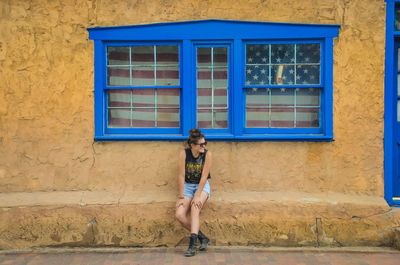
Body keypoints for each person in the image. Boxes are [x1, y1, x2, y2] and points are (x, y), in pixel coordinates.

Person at [175, 128, 212, 257]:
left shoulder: (207, 154)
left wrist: (197, 196)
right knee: (179, 215)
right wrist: (181, 196)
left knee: (195, 208)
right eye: (201, 144)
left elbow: (204, 177)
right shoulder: (184, 154)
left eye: (205, 143)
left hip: (202, 186)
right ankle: (202, 237)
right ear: (192, 145)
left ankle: (192, 245)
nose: (204, 146)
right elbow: (180, 175)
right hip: (187, 186)